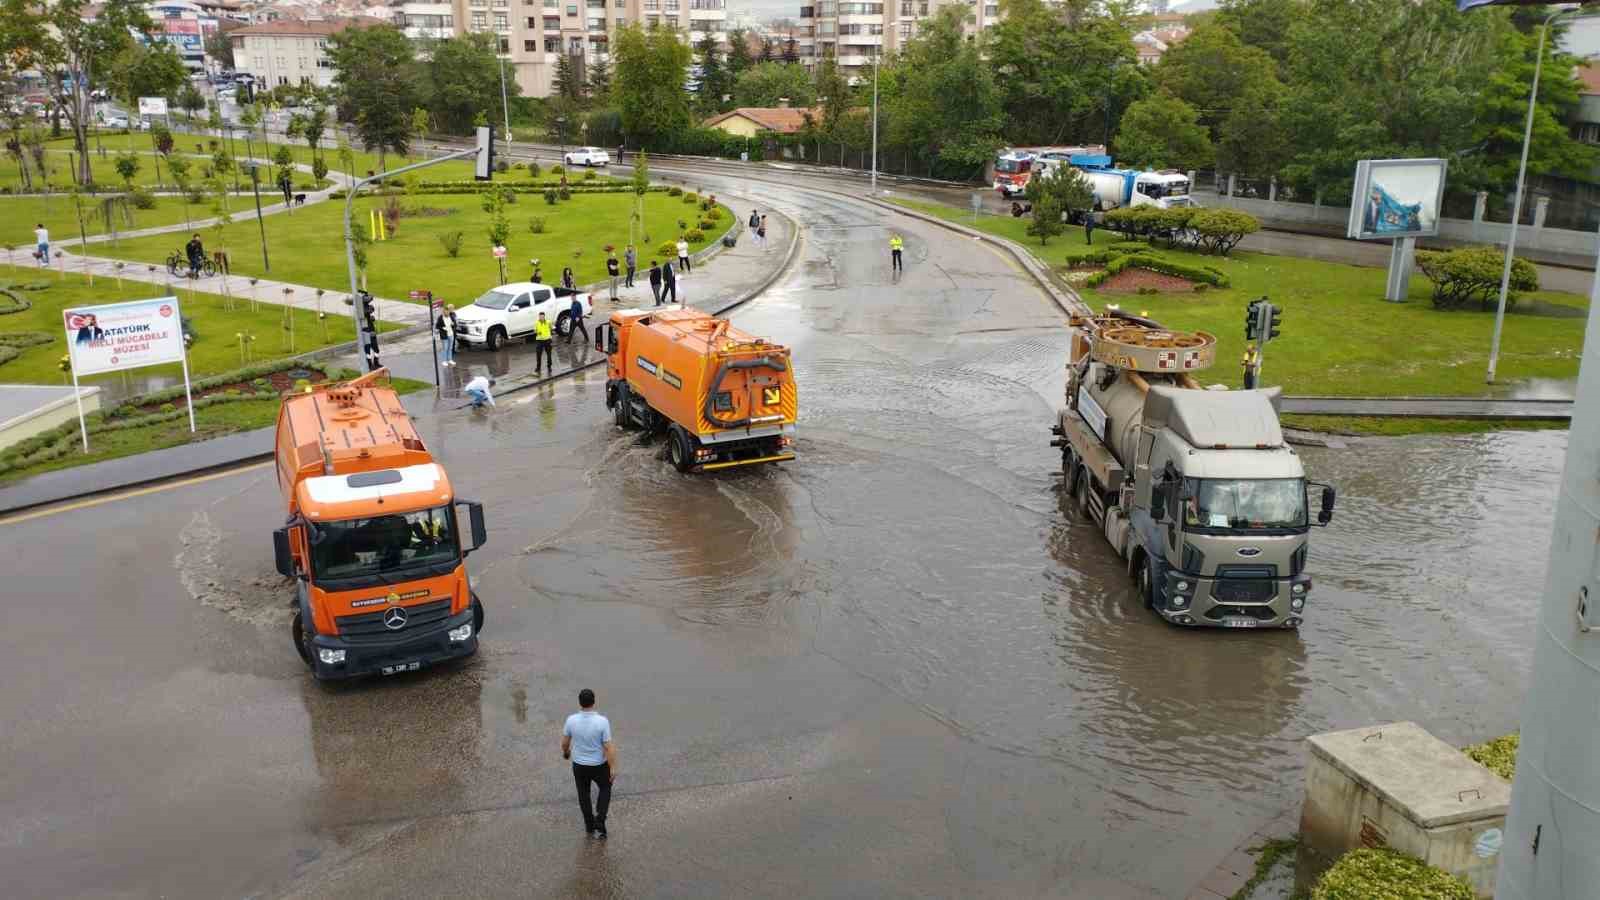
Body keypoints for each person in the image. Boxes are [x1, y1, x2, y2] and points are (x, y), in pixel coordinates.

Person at [561, 688, 616, 839]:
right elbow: (608, 747)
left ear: (580, 702)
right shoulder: (602, 722)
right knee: (605, 788)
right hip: (599, 765)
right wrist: (613, 767)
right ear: (594, 701)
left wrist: (566, 753)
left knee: (583, 794)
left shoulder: (571, 720)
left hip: (579, 765)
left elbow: (565, 742)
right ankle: (600, 820)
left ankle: (589, 826)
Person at [533, 310, 554, 375]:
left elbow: (551, 328)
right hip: (539, 340)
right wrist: (537, 332)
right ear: (539, 317)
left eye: (542, 316)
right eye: (540, 316)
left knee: (549, 354)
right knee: (538, 355)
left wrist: (550, 336)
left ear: (544, 316)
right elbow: (534, 331)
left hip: (547, 340)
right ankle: (538, 367)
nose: (541, 318)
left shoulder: (548, 322)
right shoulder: (536, 323)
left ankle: (549, 366)